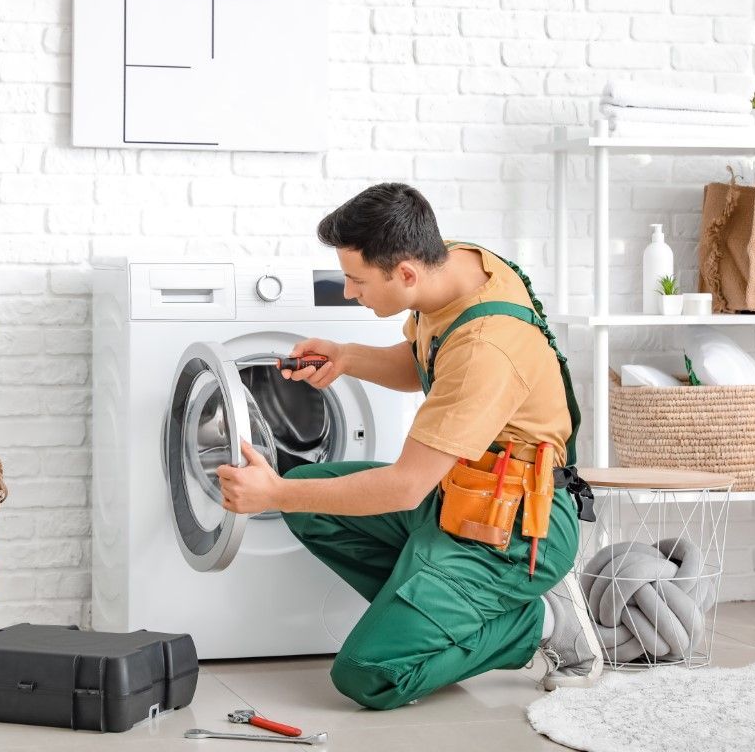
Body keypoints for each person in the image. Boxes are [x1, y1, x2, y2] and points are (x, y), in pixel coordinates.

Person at [216, 183, 601, 710]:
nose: (349, 292)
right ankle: (435, 606)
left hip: (513, 529)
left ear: (405, 274)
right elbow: (428, 361)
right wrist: (347, 357)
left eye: (356, 280)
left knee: (367, 674)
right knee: (310, 500)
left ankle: (536, 623)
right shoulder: (459, 268)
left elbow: (403, 486)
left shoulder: (486, 348)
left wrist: (272, 494)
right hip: (461, 495)